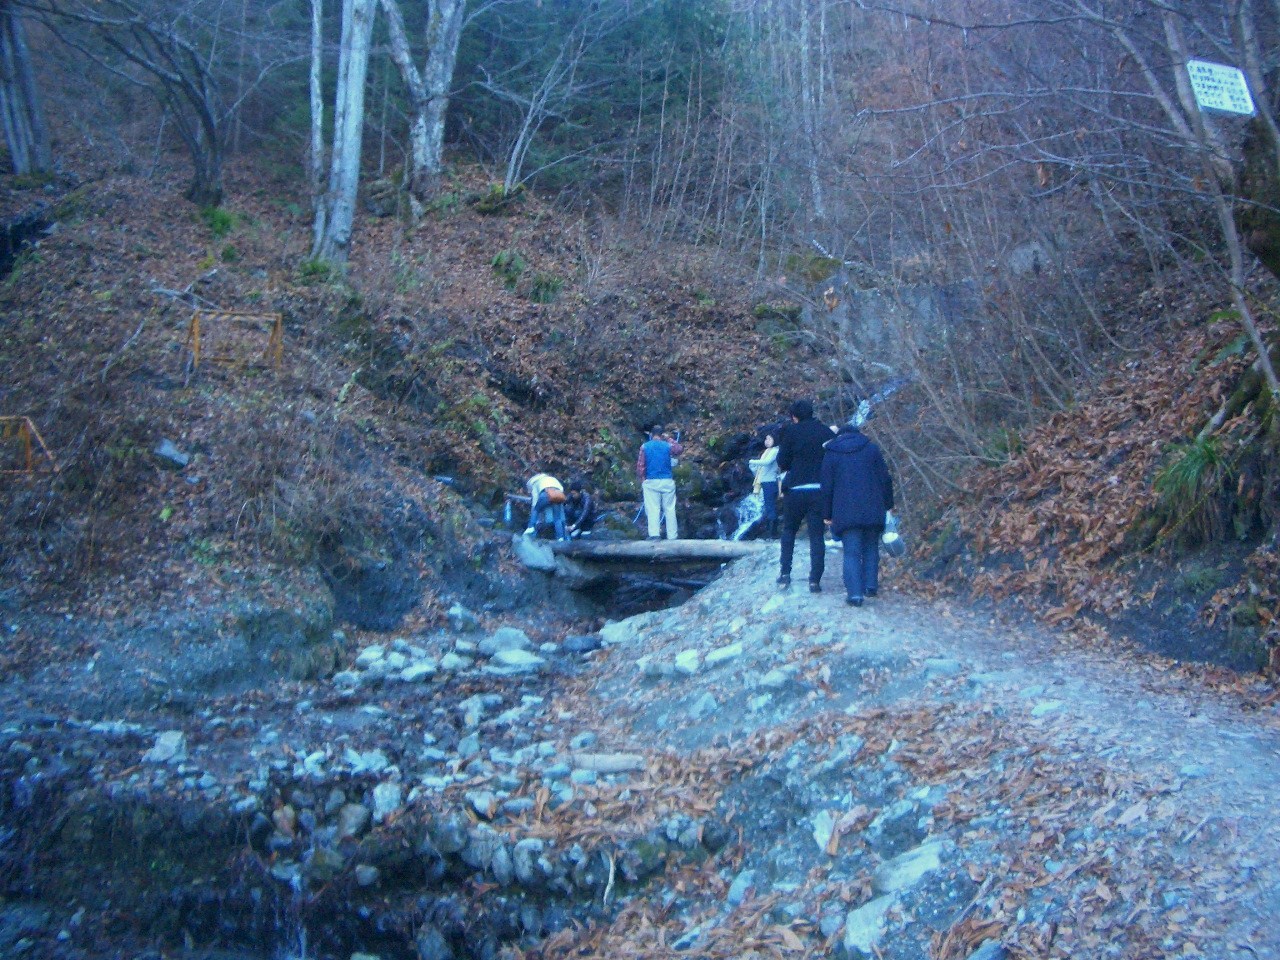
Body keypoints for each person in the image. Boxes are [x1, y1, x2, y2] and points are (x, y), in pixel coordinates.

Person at [821, 402, 894, 607]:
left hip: (845, 512)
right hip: (873, 508)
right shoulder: (870, 448)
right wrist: (888, 504)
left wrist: (827, 514)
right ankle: (871, 586)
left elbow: (826, 487)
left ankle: (855, 594)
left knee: (851, 552)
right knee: (871, 547)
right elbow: (885, 479)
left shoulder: (832, 454)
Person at [776, 399, 837, 591]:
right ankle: (814, 580)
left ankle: (785, 573)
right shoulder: (825, 432)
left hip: (795, 489)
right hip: (819, 490)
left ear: (794, 416)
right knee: (816, 535)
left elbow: (782, 461)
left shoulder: (791, 432)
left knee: (789, 531)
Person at [636, 425, 683, 540]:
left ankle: (654, 535)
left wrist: (642, 478)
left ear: (651, 435)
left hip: (651, 481)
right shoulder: (667, 445)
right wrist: (669, 439)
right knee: (670, 509)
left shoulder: (645, 447)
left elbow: (640, 466)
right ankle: (672, 536)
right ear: (662, 435)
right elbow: (679, 449)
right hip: (667, 480)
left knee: (653, 508)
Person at [748, 433, 780, 538]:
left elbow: (766, 463)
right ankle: (771, 533)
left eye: (769, 439)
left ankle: (773, 534)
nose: (766, 441)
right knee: (768, 507)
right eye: (765, 439)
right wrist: (753, 467)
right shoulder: (767, 452)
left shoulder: (775, 451)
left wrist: (753, 461)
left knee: (770, 507)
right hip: (765, 482)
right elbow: (759, 470)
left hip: (771, 482)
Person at [525, 471, 568, 541]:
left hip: (545, 494)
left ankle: (531, 527)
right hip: (558, 495)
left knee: (536, 509)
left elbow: (535, 501)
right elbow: (561, 489)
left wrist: (534, 510)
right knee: (557, 518)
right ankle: (560, 538)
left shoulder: (535, 484)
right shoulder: (552, 479)